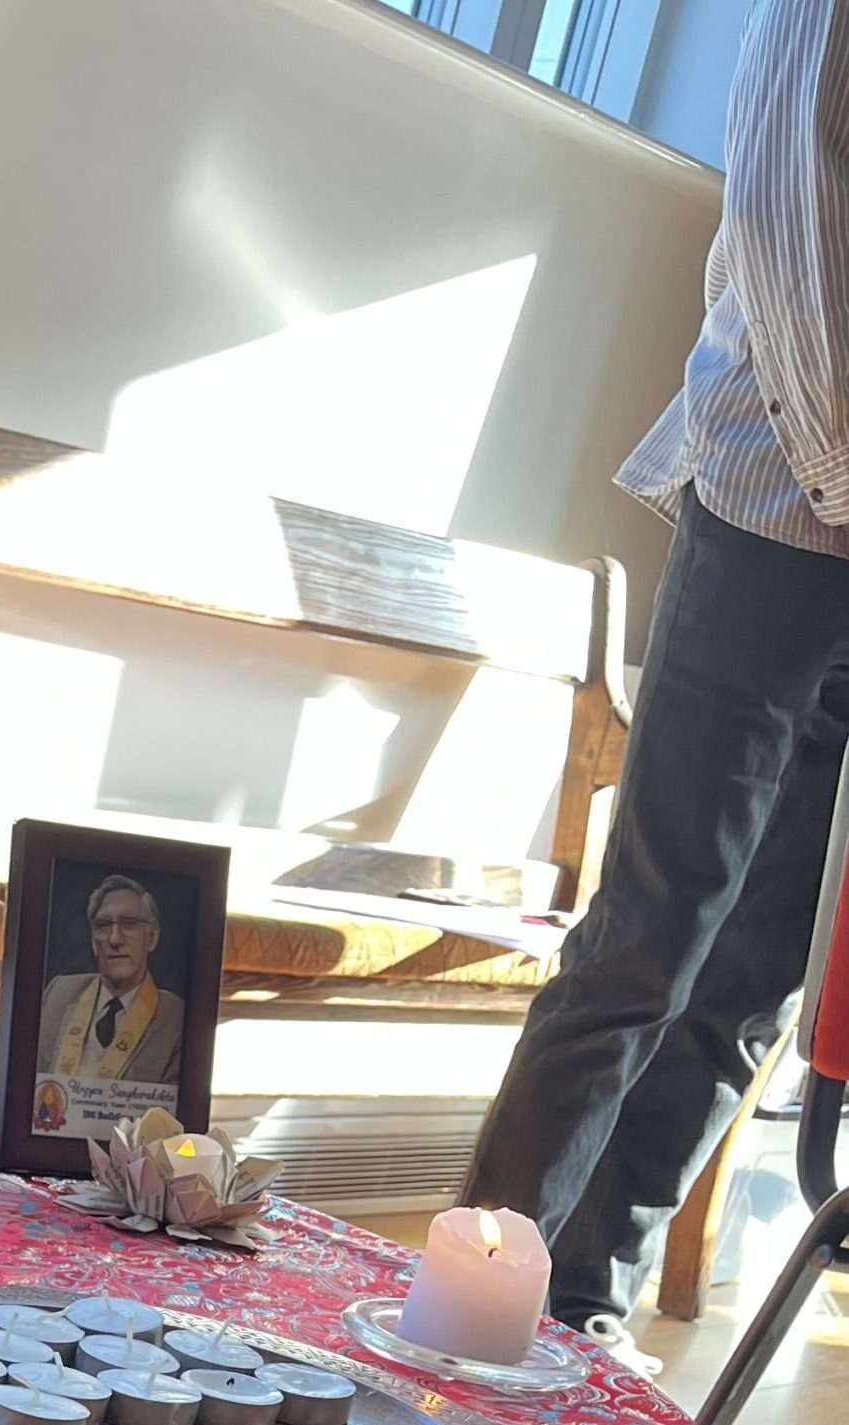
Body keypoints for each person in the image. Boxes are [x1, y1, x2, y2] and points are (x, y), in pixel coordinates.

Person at [462, 0, 849, 1369]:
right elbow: (786, 217)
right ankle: (475, 1311)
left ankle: (583, 1305)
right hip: (773, 504)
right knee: (653, 932)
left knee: (760, 975)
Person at [37, 875, 185, 1083]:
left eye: (129, 924)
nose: (114, 939)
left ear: (151, 938)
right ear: (93, 942)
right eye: (103, 925)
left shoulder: (175, 1017)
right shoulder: (58, 994)